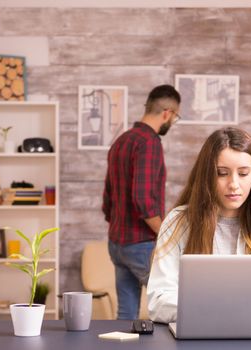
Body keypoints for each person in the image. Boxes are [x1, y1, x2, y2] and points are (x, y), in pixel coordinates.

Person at [146, 127, 251, 324]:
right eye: (222, 173)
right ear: (207, 175)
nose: (233, 184)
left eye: (243, 173)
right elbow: (159, 300)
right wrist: (220, 310)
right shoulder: (178, 221)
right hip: (199, 333)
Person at [102, 84, 181, 320]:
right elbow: (143, 200)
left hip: (117, 244)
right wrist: (166, 234)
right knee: (175, 307)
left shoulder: (121, 141)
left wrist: (116, 224)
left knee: (126, 315)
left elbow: (108, 198)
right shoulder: (149, 142)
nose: (172, 122)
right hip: (141, 245)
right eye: (175, 117)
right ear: (167, 113)